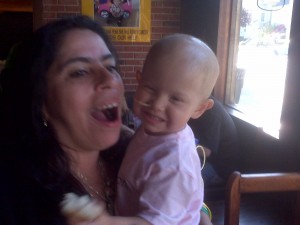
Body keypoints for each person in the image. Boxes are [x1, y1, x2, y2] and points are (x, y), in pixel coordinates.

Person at [0, 16, 213, 225]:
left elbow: (176, 197)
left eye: (110, 67)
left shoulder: (136, 147)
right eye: (80, 72)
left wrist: (201, 212)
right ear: (41, 101)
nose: (109, 80)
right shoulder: (15, 192)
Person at [188, 96, 239, 187]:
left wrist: (180, 144)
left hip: (218, 169)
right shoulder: (193, 107)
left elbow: (206, 152)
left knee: (180, 180)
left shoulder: (211, 112)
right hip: (202, 160)